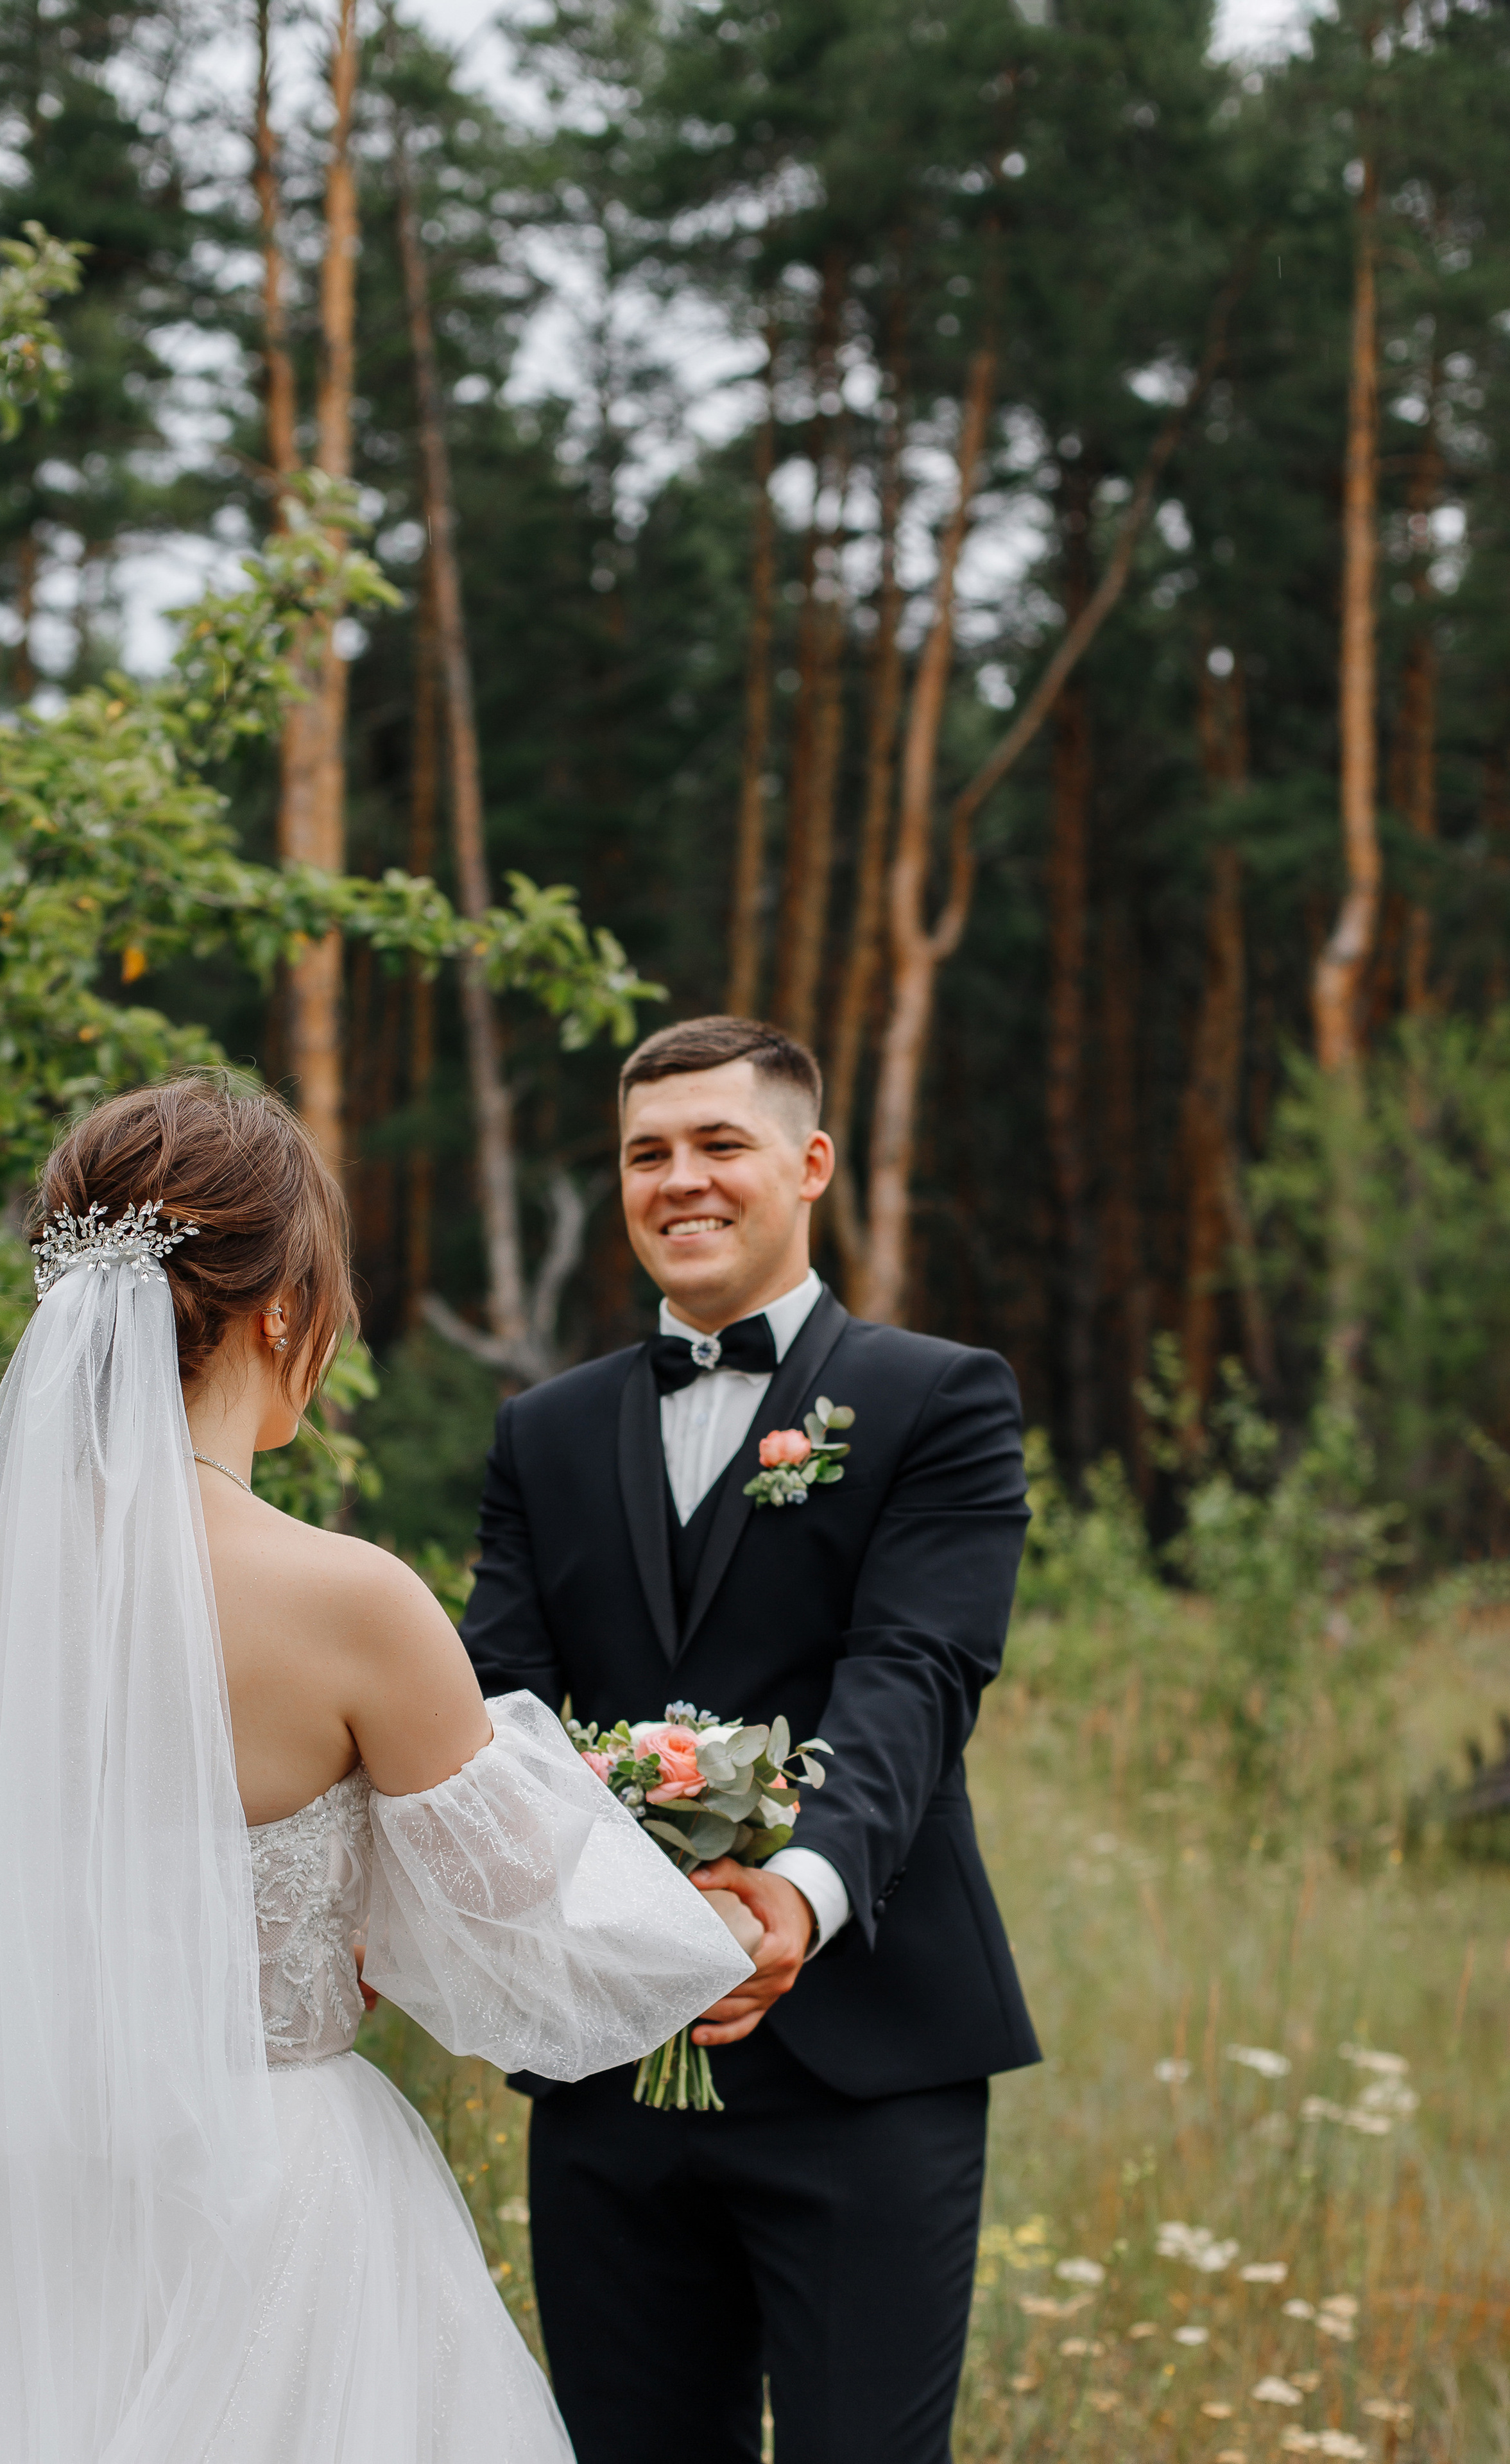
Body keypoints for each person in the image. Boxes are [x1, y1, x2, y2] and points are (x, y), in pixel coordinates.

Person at [0, 1073, 751, 2463]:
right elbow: (524, 1937)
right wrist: (703, 1912)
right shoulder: (354, 1601)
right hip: (270, 2199)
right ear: (282, 1308)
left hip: (20, 2188)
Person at [461, 1014, 1040, 2464]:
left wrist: (796, 1890)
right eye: (646, 1154)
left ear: (809, 1162)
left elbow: (915, 1669)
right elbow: (500, 1706)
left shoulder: (936, 1397)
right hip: (605, 2063)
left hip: (862, 2059)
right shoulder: (542, 1431)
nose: (682, 1181)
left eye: (720, 1144)